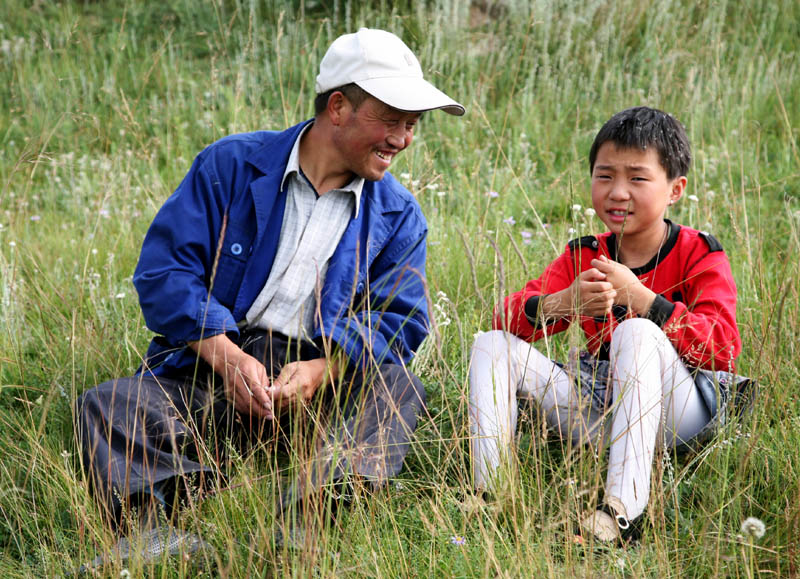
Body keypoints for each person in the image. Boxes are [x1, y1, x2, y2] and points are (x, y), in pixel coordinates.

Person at [75, 27, 464, 565]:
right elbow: (165, 271)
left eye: (412, 125)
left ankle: (299, 531)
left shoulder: (400, 216)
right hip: (212, 371)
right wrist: (226, 356)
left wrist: (321, 369)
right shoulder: (231, 165)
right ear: (338, 107)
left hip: (315, 392)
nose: (403, 138)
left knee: (399, 387)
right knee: (107, 404)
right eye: (391, 120)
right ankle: (153, 538)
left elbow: (402, 320)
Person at [469, 107, 741, 542]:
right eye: (604, 175)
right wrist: (563, 302)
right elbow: (505, 319)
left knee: (635, 331)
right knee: (489, 344)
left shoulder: (699, 252)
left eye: (637, 178)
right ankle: (490, 493)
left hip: (679, 414)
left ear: (675, 189)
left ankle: (621, 512)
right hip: (605, 409)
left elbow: (724, 349)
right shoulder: (586, 253)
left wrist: (646, 302)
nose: (618, 192)